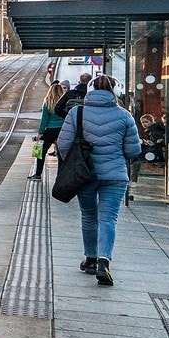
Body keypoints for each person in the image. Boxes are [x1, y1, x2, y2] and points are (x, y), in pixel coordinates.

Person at [55, 74, 142, 287]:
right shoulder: (124, 116)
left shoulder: (78, 112)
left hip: (85, 175)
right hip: (115, 176)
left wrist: (75, 163)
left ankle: (90, 258)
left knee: (89, 216)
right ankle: (104, 261)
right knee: (108, 218)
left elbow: (63, 144)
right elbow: (133, 150)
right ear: (115, 92)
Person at [29, 81, 69, 180]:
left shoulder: (47, 103)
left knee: (41, 152)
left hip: (50, 130)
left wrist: (40, 133)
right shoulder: (65, 104)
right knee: (61, 153)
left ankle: (38, 174)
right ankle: (61, 175)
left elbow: (44, 120)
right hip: (62, 130)